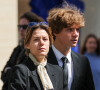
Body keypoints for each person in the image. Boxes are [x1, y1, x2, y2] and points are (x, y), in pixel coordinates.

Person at [47, 3, 95, 90]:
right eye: (70, 29)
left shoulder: (83, 61)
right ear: (55, 31)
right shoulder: (41, 59)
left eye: (77, 30)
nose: (76, 34)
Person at [8, 22, 64, 90]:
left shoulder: (58, 71)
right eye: (36, 39)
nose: (41, 43)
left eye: (45, 39)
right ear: (27, 45)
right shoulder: (20, 71)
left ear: (49, 43)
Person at [1, 12, 44, 90]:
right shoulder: (17, 49)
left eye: (24, 27)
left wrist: (9, 71)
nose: (21, 30)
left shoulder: (35, 51)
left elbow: (23, 77)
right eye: (19, 27)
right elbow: (3, 75)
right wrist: (10, 72)